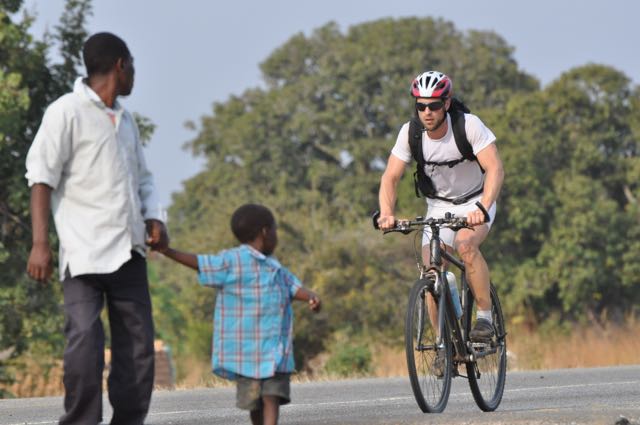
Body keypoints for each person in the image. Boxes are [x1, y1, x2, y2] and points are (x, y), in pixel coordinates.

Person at [25, 32, 168, 425]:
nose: (134, 76)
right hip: (82, 253)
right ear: (121, 65)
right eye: (132, 66)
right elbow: (41, 178)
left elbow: (144, 179)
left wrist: (155, 218)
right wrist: (40, 244)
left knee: (138, 354)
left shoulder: (126, 121)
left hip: (128, 251)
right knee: (85, 349)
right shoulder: (66, 111)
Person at [157, 203, 321, 425]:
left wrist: (311, 296)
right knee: (254, 402)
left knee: (271, 396)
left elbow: (292, 287)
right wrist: (167, 251)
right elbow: (201, 264)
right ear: (265, 232)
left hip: (273, 350)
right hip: (246, 354)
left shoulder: (274, 267)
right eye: (275, 230)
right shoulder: (231, 261)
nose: (276, 236)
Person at [377, 70, 504, 342]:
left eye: (434, 105)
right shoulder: (410, 133)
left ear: (446, 103)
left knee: (466, 246)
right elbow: (390, 176)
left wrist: (482, 207)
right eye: (421, 106)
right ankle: (443, 344)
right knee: (431, 272)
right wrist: (387, 213)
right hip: (438, 207)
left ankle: (484, 319)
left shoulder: (468, 125)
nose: (427, 112)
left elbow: (495, 168)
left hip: (476, 200)